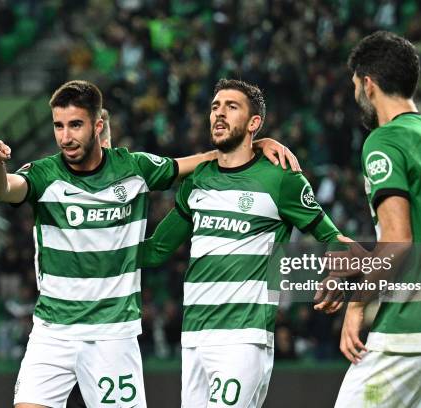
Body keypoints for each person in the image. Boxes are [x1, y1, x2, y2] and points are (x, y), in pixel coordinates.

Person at [0, 80, 298, 408]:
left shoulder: (134, 169)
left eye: (75, 125)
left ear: (98, 125)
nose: (65, 137)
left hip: (113, 335)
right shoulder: (44, 175)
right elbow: (3, 189)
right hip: (52, 332)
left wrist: (255, 144)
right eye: (58, 126)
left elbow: (204, 160)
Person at [138, 79, 343, 408]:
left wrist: (336, 273)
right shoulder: (198, 180)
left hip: (243, 337)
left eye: (231, 107)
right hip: (194, 338)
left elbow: (334, 238)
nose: (219, 113)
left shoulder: (281, 178)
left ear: (254, 123)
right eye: (215, 106)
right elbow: (155, 250)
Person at [327, 31, 421, 407]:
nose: (356, 95)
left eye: (355, 85)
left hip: (409, 336)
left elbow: (399, 240)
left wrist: (356, 306)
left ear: (368, 83)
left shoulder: (385, 141)